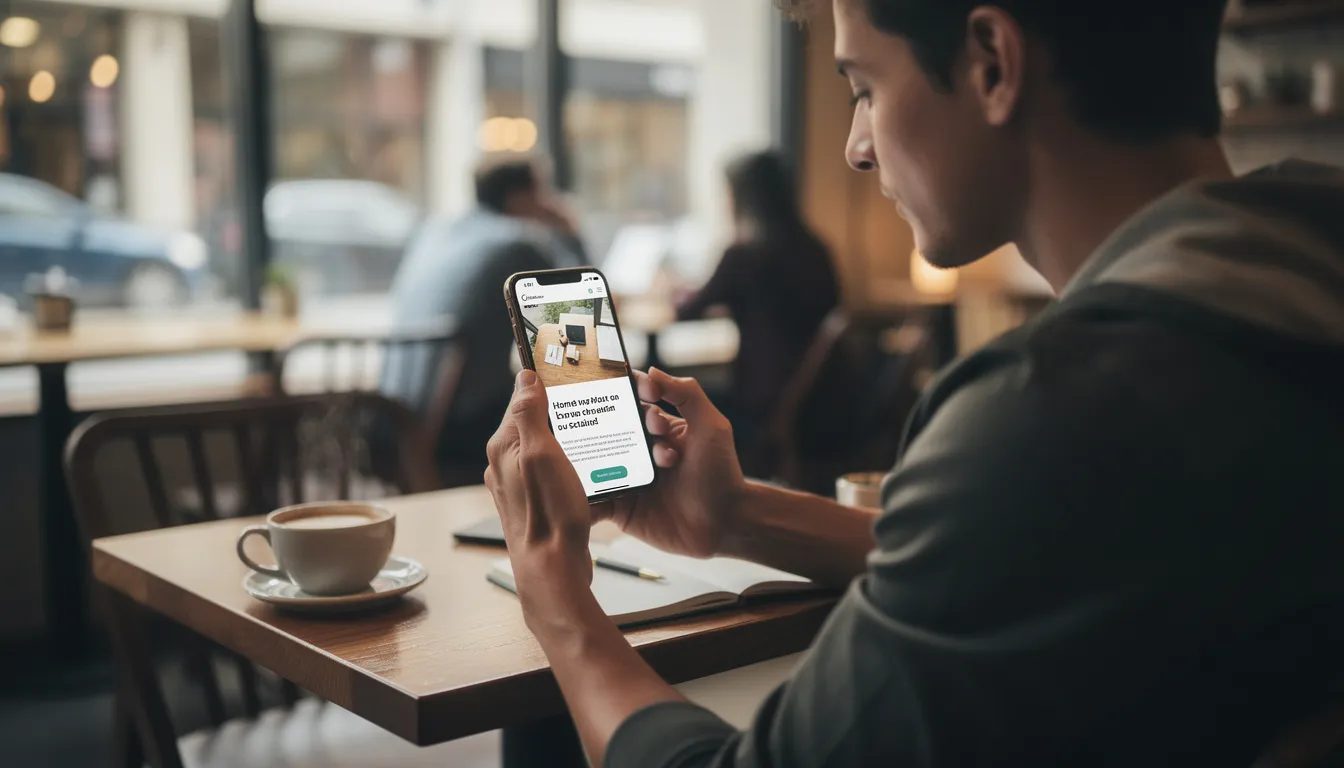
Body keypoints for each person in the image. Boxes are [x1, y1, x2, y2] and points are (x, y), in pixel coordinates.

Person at [484, 0, 1344, 765]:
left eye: (862, 85)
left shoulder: (1056, 413)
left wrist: (560, 603)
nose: (856, 147)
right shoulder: (1295, 283)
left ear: (991, 64)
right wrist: (740, 516)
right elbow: (1045, 551)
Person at [383, 158, 582, 479]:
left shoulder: (436, 231)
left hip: (393, 417)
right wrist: (570, 233)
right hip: (457, 427)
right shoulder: (519, 243)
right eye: (541, 192)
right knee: (584, 403)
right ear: (520, 198)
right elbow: (579, 314)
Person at [676, 150, 839, 475]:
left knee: (668, 400)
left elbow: (687, 311)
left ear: (740, 199)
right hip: (819, 401)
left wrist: (677, 292)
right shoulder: (816, 248)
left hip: (761, 403)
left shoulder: (742, 257)